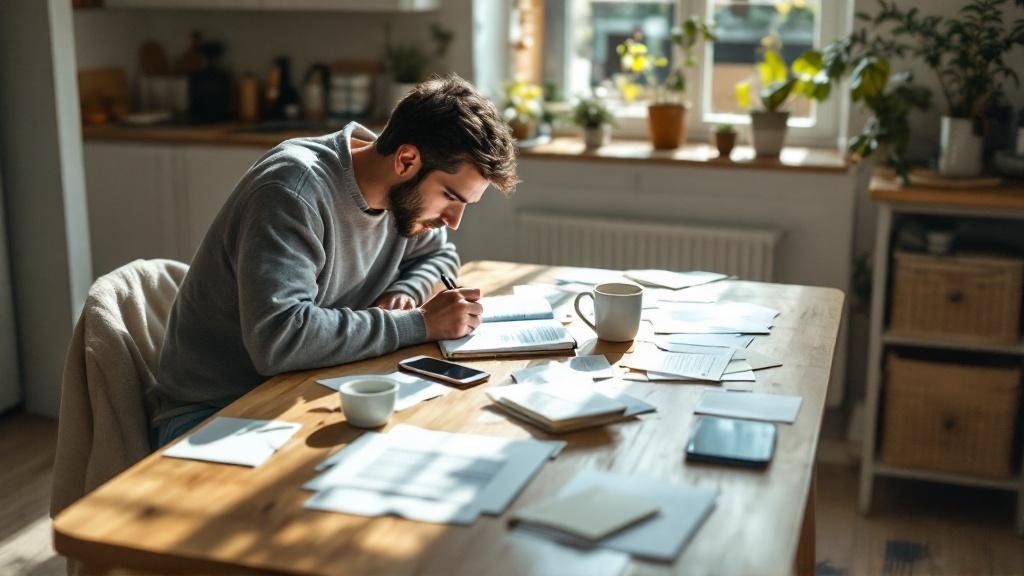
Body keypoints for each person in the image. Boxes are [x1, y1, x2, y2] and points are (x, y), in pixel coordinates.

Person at [154, 74, 518, 445]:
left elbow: (439, 253)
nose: (453, 222)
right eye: (450, 198)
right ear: (407, 160)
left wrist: (405, 289)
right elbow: (280, 340)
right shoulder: (292, 192)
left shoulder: (402, 199)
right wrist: (419, 324)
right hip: (215, 415)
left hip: (304, 388)